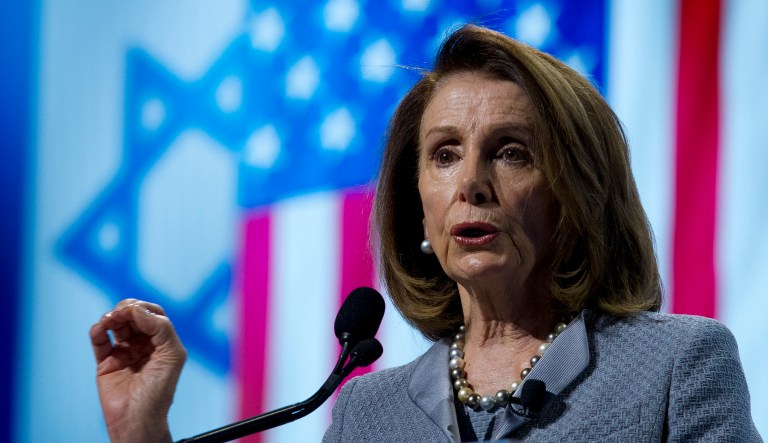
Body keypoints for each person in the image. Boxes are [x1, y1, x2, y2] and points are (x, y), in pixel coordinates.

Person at [91, 25, 761, 442]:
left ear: (577, 194)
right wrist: (143, 431)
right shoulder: (366, 414)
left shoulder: (678, 367)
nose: (471, 181)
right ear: (420, 207)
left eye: (511, 152)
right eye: (444, 153)